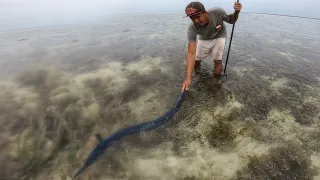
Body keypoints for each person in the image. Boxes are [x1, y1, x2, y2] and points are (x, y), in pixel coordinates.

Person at [181, 1, 242, 92]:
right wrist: (188, 78)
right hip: (204, 38)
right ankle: (198, 75)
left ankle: (215, 83)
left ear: (205, 13)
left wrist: (237, 12)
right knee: (196, 60)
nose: (196, 21)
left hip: (219, 35)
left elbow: (232, 20)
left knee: (217, 59)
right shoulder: (192, 28)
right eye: (192, 18)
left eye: (197, 17)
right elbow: (191, 53)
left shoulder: (218, 12)